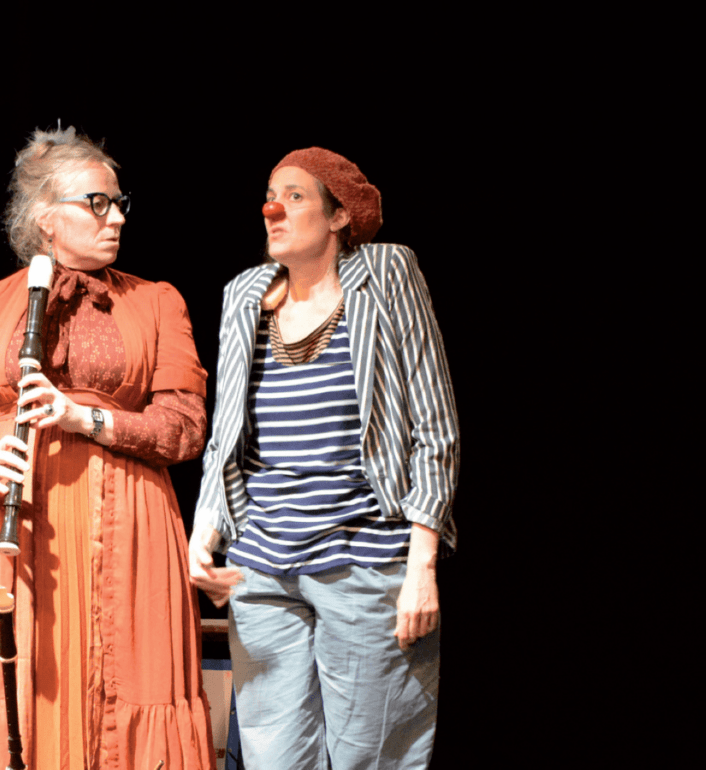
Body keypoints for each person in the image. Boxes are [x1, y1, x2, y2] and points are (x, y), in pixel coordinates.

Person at [0, 126, 216, 770]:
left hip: (127, 530)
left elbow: (183, 426)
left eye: (120, 203)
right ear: (46, 216)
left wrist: (86, 419)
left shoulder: (156, 302)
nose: (116, 217)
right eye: (97, 203)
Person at [188, 147, 459, 769]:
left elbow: (434, 427)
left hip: (363, 561)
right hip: (262, 567)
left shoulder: (386, 274)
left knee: (373, 757)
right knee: (273, 758)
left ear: (339, 216)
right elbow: (228, 433)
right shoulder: (244, 295)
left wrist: (422, 566)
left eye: (295, 196)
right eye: (269, 196)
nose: (273, 209)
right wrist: (206, 532)